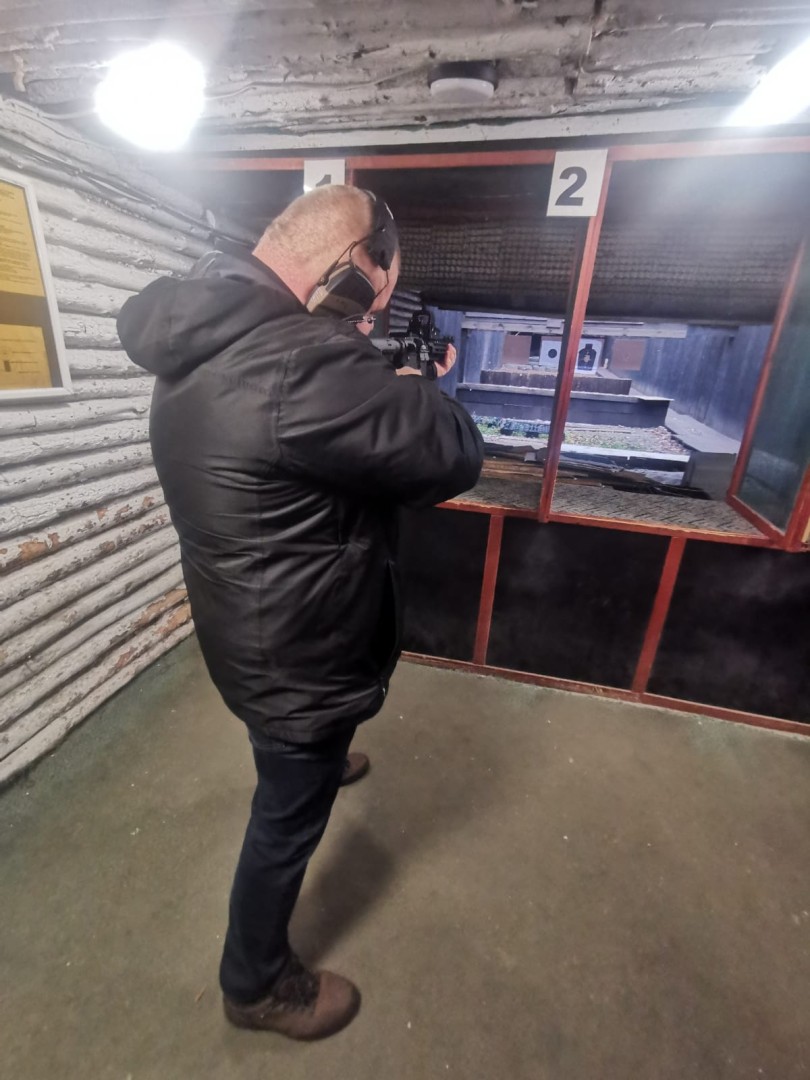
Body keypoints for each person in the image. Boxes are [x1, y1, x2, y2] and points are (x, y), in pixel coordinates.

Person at [117, 186, 484, 1041]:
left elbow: (291, 448)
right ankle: (255, 983)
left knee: (290, 752)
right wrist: (421, 390)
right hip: (299, 652)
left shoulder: (204, 324)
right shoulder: (302, 364)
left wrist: (373, 373)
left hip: (248, 621)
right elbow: (451, 453)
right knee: (286, 823)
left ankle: (312, 758)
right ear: (355, 267)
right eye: (378, 293)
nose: (372, 313)